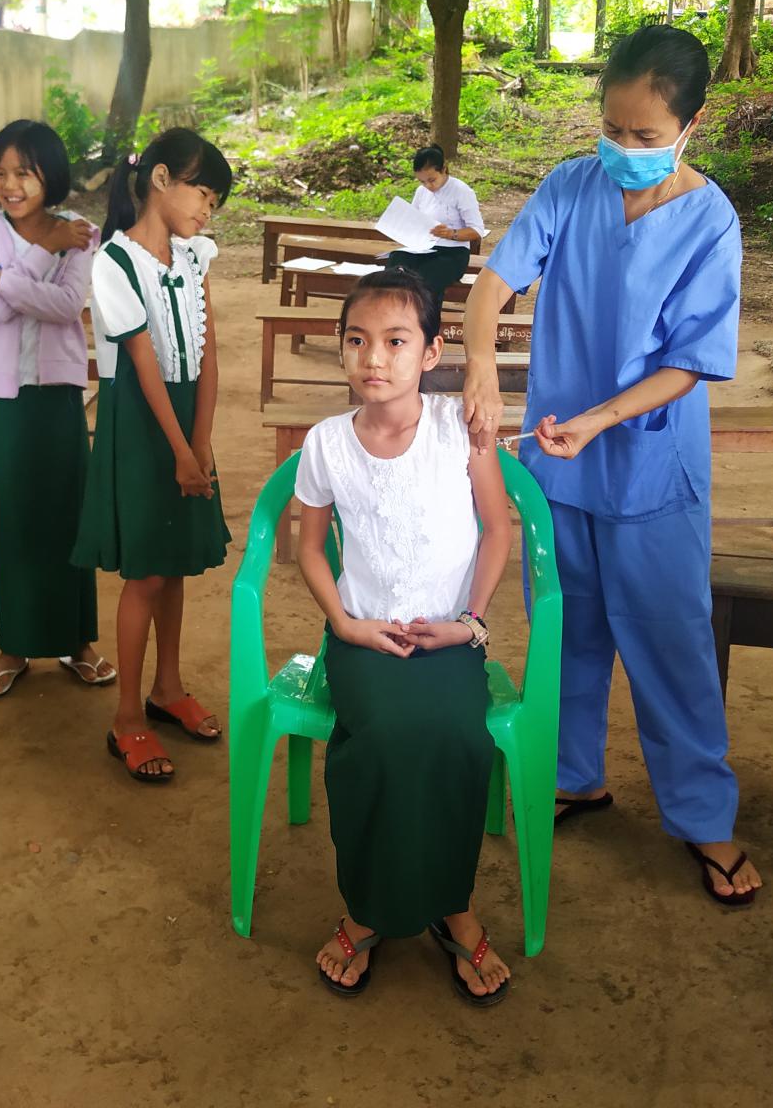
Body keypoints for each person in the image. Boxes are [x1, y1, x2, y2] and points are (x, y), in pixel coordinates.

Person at [459, 24, 762, 907]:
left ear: (690, 125)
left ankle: (703, 816)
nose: (624, 148)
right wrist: (480, 363)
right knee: (566, 632)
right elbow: (494, 283)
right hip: (561, 465)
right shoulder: (570, 186)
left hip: (649, 468)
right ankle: (573, 776)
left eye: (644, 135)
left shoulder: (710, 222)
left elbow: (691, 362)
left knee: (669, 644)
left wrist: (599, 419)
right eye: (612, 128)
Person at [295, 268, 515, 1002]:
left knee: (458, 738)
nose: (374, 358)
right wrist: (345, 624)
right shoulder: (327, 444)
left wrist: (470, 622)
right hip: (364, 638)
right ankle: (367, 909)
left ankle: (453, 905)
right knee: (381, 740)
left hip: (450, 635)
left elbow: (496, 530)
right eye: (357, 340)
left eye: (395, 341)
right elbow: (309, 548)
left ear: (431, 351)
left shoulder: (460, 428)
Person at [73, 128, 234, 783]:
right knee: (145, 573)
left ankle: (168, 688)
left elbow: (209, 355)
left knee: (176, 565)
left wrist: (202, 442)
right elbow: (143, 364)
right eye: (203, 194)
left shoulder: (195, 257)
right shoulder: (114, 261)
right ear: (161, 179)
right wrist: (178, 450)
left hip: (186, 424)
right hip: (142, 426)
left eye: (215, 203)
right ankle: (127, 716)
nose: (207, 211)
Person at [0, 120, 114, 698]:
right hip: (6, 396)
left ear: (50, 175)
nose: (9, 184)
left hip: (59, 393)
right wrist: (43, 249)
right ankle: (16, 645)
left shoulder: (81, 230)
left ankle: (78, 641)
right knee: (14, 520)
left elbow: (67, 305)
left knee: (67, 514)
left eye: (23, 172)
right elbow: (0, 314)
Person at [384, 144, 488, 307]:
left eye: (432, 180)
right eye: (422, 181)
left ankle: (427, 319)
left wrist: (451, 233)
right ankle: (394, 311)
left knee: (427, 277)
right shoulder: (421, 192)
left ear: (444, 169)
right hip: (424, 248)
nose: (428, 186)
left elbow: (477, 230)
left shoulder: (461, 191)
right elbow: (414, 219)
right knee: (396, 261)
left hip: (452, 253)